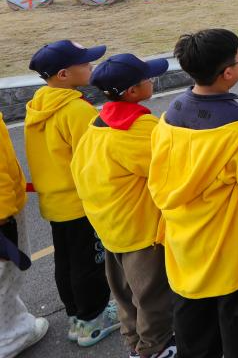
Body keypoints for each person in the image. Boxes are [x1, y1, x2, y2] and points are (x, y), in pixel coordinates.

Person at [148, 29, 238, 358]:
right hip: (232, 250)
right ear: (228, 72)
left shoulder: (169, 117)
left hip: (184, 245)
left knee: (195, 330)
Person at [71, 54, 176, 358]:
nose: (152, 81)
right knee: (152, 297)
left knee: (124, 295)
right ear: (132, 91)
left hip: (109, 227)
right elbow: (170, 168)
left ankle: (134, 344)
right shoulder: (139, 129)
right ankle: (155, 349)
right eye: (148, 78)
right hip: (141, 232)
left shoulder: (96, 124)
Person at [25, 40, 118, 346]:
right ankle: (93, 321)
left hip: (54, 202)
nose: (91, 66)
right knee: (90, 263)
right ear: (64, 74)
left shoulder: (39, 104)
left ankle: (77, 317)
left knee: (66, 262)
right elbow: (93, 159)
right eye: (85, 63)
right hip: (80, 203)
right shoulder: (76, 110)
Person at [1, 113, 50, 357]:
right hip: (4, 215)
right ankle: (11, 338)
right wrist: (4, 220)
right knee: (6, 275)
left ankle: (14, 323)